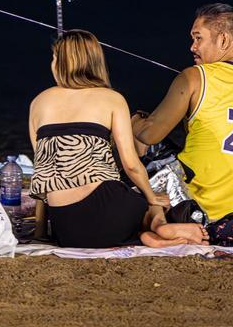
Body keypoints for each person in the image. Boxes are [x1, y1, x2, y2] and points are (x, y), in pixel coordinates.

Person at [29, 29, 198, 248]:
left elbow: (43, 173)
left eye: (54, 58)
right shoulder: (112, 99)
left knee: (134, 197)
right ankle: (156, 226)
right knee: (151, 198)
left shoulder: (38, 103)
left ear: (62, 63)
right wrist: (150, 198)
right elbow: (131, 165)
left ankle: (147, 233)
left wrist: (41, 231)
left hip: (68, 228)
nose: (52, 63)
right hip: (109, 212)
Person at [133, 3, 233, 223]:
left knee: (139, 131)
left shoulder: (194, 76)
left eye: (198, 38)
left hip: (198, 208)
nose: (192, 46)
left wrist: (133, 121)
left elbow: (149, 134)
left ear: (223, 40)